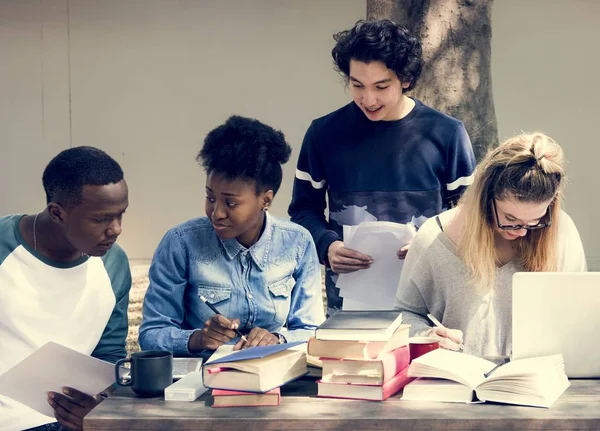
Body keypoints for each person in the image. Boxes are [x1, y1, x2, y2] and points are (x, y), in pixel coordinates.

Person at [288, 19, 476, 316]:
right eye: (357, 85)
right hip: (348, 307)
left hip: (431, 306)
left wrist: (431, 244)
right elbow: (302, 211)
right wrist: (327, 246)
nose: (368, 99)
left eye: (381, 86)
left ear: (406, 79)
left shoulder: (447, 134)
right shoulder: (323, 134)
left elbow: (471, 215)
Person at [139, 116, 325, 357]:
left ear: (265, 199)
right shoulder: (180, 243)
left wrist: (277, 338)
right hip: (200, 381)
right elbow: (151, 333)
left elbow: (312, 330)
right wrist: (198, 339)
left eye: (231, 202)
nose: (216, 213)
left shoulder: (297, 243)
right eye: (210, 197)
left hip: (273, 376)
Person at [395, 132, 586, 357]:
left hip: (537, 381)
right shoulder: (434, 237)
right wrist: (426, 336)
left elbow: (579, 314)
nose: (523, 231)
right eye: (511, 220)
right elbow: (404, 315)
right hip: (456, 383)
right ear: (485, 199)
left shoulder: (561, 232)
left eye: (535, 221)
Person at [0, 147, 130, 431]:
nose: (117, 229)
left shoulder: (114, 264)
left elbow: (109, 354)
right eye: (101, 219)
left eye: (121, 215)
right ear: (57, 213)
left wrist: (100, 403)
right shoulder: (3, 249)